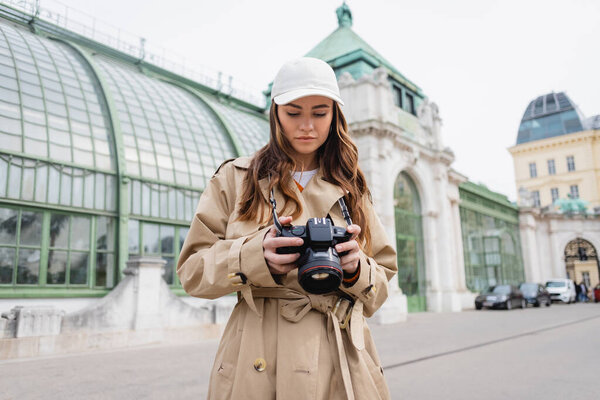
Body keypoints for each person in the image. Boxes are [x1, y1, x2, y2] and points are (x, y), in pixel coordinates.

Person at [177, 57, 397, 400]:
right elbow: (191, 272)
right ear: (275, 113)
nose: (306, 125)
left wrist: (355, 269)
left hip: (340, 358)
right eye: (293, 113)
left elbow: (381, 282)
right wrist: (253, 256)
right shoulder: (235, 179)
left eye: (319, 113)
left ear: (335, 115)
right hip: (256, 357)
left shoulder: (352, 189)